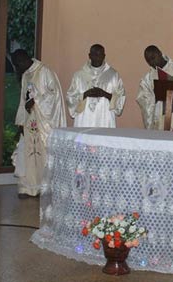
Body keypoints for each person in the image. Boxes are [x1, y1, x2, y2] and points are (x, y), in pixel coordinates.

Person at [11, 49, 66, 198]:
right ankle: (28, 188)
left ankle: (45, 188)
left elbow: (54, 95)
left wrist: (36, 101)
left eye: (18, 64)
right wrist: (21, 122)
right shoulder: (25, 75)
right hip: (30, 121)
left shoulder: (45, 71)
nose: (18, 67)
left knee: (43, 154)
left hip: (44, 122)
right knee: (27, 154)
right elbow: (23, 100)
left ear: (25, 59)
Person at [66, 44, 125, 127]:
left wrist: (105, 94)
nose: (97, 58)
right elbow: (70, 98)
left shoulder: (113, 75)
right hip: (84, 119)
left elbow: (121, 97)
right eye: (95, 55)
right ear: (89, 56)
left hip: (105, 119)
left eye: (100, 55)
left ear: (104, 56)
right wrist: (85, 94)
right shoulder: (79, 76)